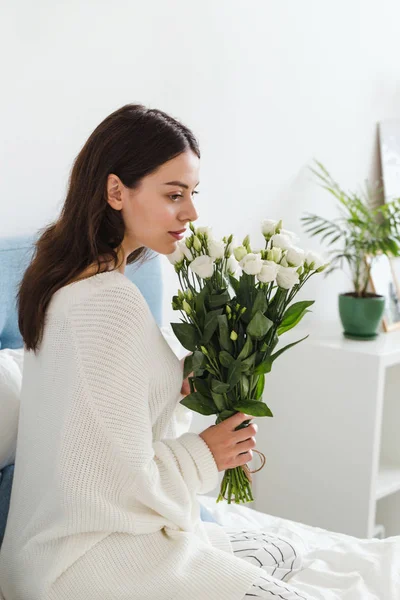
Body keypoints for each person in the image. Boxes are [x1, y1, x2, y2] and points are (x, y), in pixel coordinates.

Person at [0, 104, 312, 600]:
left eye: (191, 194)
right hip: (87, 562)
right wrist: (204, 455)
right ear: (116, 191)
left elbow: (103, 424)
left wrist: (176, 383)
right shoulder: (107, 303)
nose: (190, 212)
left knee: (284, 553)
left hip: (44, 558)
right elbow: (108, 485)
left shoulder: (66, 283)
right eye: (173, 194)